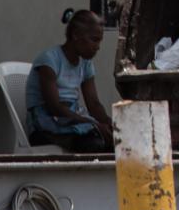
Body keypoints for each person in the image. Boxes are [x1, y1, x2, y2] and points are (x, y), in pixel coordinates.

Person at [26, 8, 114, 153]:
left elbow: (93, 103)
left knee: (114, 142)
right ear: (76, 35)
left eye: (99, 41)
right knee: (93, 143)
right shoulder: (49, 61)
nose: (97, 47)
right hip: (45, 124)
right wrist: (94, 124)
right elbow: (54, 107)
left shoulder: (85, 63)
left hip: (71, 119)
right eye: (94, 40)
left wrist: (110, 124)